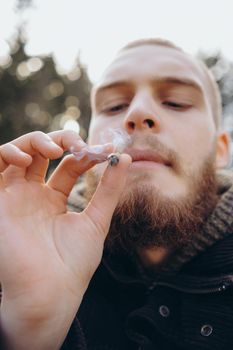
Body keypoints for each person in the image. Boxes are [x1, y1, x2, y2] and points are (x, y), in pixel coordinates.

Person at [0, 38, 233, 350]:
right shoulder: (12, 257)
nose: (137, 113)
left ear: (220, 151)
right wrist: (26, 330)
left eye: (176, 102)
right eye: (114, 106)